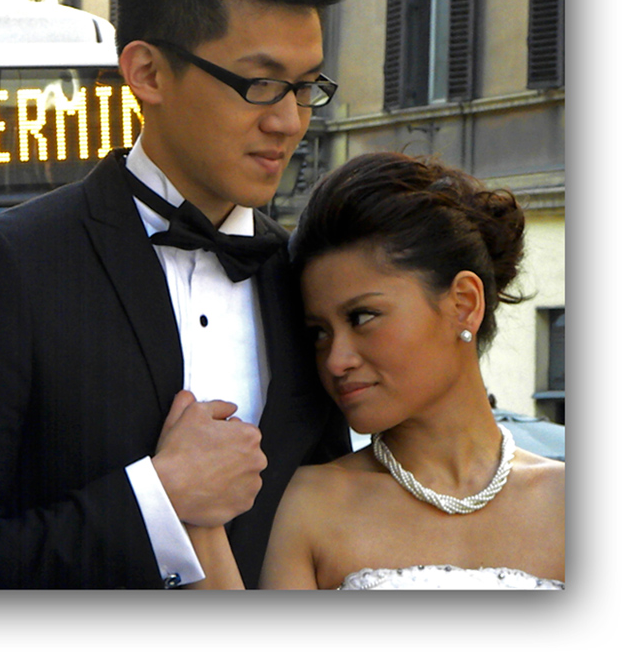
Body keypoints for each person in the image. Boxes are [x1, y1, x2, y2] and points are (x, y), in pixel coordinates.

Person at [0, 0, 351, 590]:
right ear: (147, 73)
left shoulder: (304, 280)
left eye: (306, 88)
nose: (288, 122)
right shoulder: (8, 269)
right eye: (261, 84)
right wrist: (157, 498)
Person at [184, 152, 565, 590]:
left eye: (362, 317)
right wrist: (198, 523)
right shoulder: (308, 505)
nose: (335, 360)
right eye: (319, 333)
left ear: (464, 303)